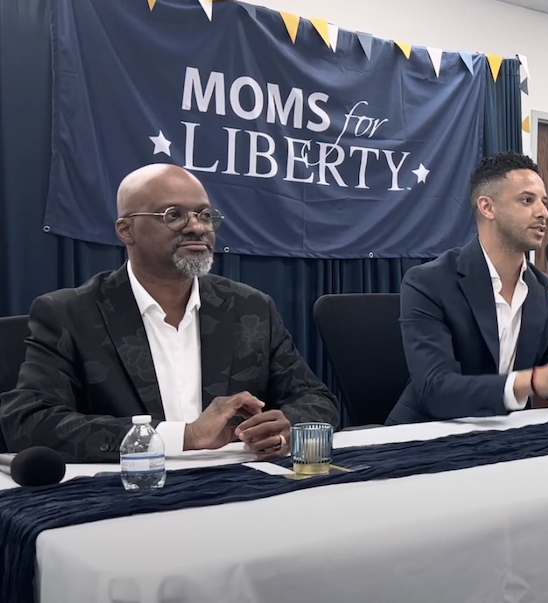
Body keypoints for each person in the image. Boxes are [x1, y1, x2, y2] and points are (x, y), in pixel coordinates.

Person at [0, 164, 339, 463]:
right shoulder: (69, 313)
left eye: (205, 215)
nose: (197, 227)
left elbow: (316, 399)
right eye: (173, 215)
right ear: (125, 230)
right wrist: (185, 437)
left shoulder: (250, 308)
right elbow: (30, 423)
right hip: (127, 499)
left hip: (240, 490)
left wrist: (286, 425)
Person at [385, 152, 548, 424]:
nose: (543, 212)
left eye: (544, 202)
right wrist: (529, 382)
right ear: (487, 207)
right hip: (427, 434)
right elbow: (435, 389)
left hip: (504, 438)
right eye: (527, 200)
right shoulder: (428, 282)